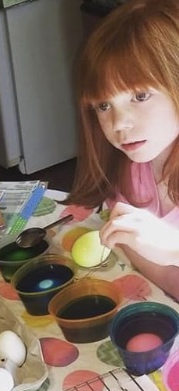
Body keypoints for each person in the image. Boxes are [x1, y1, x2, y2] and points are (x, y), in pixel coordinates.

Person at [68, 0, 179, 300]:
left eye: (140, 96)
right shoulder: (128, 171)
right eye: (104, 105)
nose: (119, 123)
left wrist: (172, 249)